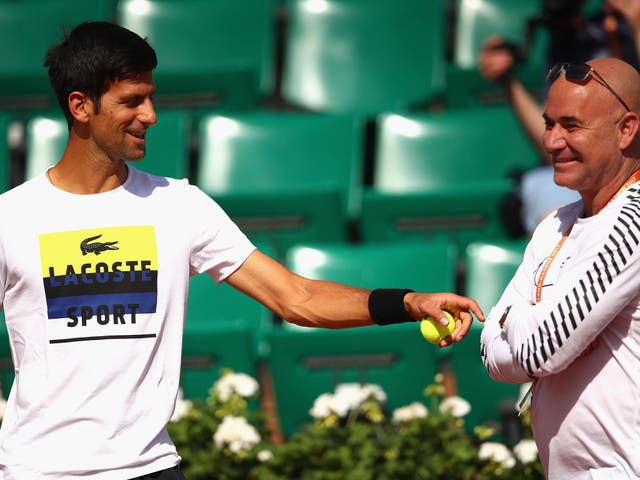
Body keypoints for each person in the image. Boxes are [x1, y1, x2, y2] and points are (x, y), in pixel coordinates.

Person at [0, 21, 484, 479]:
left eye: (150, 98)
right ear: (81, 106)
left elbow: (297, 298)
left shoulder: (179, 204)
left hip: (148, 469)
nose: (150, 115)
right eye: (131, 101)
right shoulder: (10, 218)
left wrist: (407, 302)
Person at [481, 57, 640, 478]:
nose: (551, 141)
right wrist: (541, 328)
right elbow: (490, 352)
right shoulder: (555, 223)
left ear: (627, 129)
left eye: (571, 126)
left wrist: (516, 316)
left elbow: (538, 349)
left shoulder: (637, 219)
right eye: (549, 123)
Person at [479, 0, 640, 235]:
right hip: (586, 177)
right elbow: (556, 145)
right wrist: (508, 82)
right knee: (551, 206)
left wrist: (636, 21)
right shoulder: (568, 33)